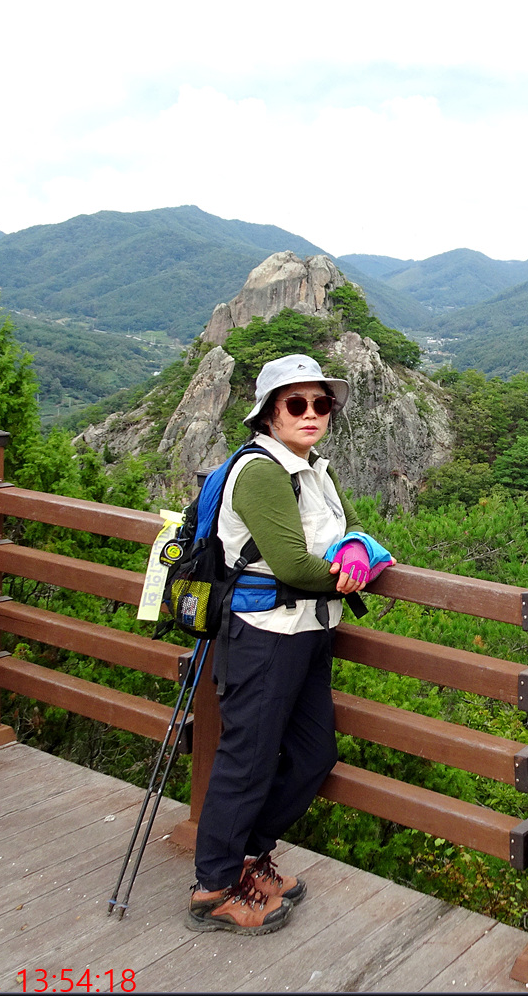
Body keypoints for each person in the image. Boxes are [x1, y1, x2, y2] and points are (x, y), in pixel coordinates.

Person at [187, 353, 387, 935]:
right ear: (269, 414)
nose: (310, 413)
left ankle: (248, 857)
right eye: (295, 403)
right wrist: (353, 574)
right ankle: (213, 887)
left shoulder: (312, 468)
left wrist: (357, 548)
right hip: (265, 636)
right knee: (247, 759)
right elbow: (295, 566)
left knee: (313, 754)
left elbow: (336, 536)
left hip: (309, 633)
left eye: (321, 404)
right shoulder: (261, 471)